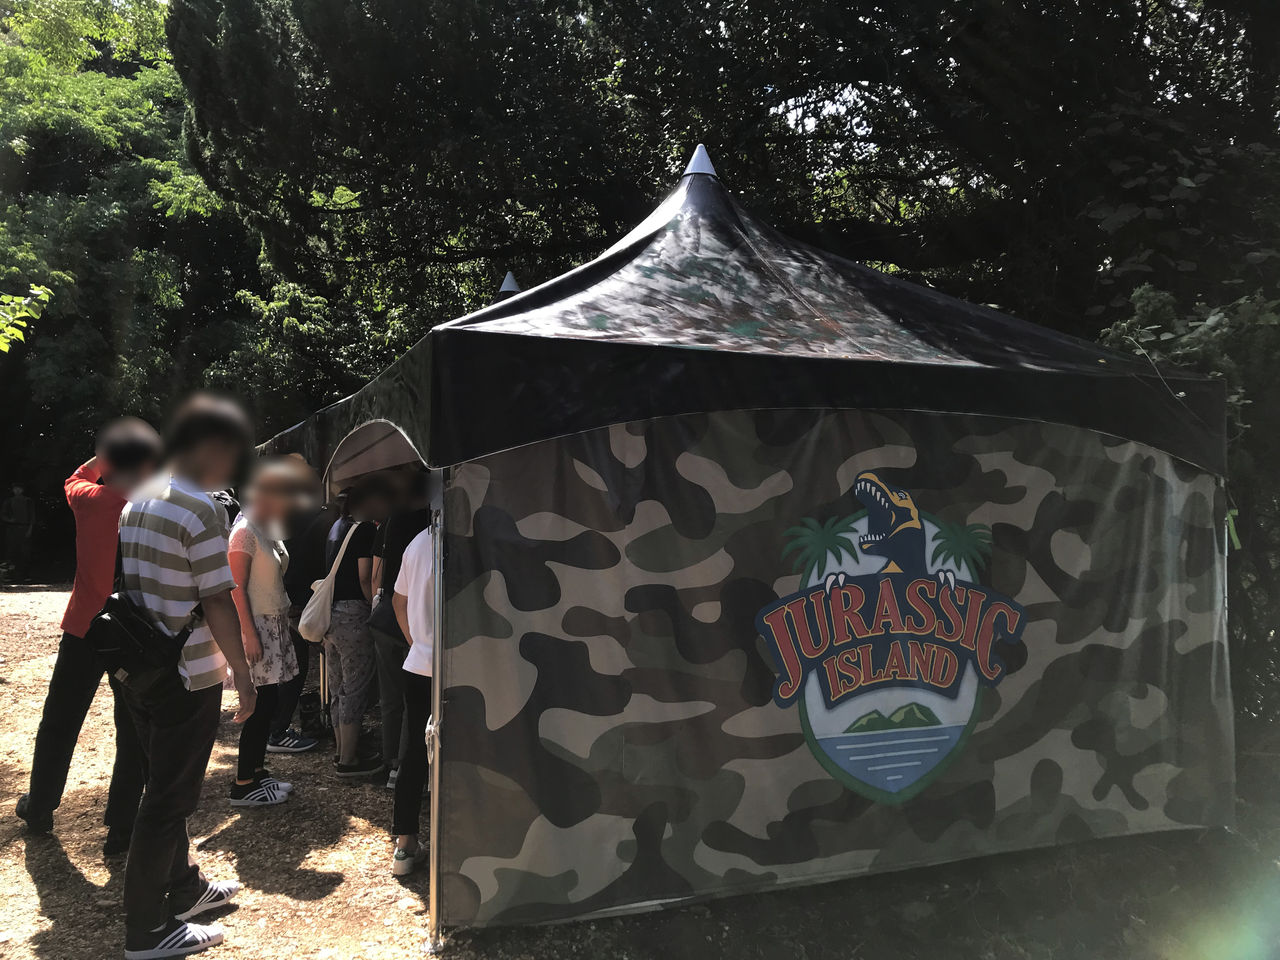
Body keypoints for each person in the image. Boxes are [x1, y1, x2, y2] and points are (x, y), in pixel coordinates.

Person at [118, 393, 257, 960]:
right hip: (186, 674)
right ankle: (146, 930)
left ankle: (185, 886)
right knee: (168, 801)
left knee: (161, 784)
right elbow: (217, 599)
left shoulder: (138, 497)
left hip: (140, 668)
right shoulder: (201, 510)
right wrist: (243, 673)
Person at [15, 419, 161, 855]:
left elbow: (76, 477)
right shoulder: (156, 508)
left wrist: (106, 456)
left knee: (60, 719)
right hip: (132, 633)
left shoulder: (90, 500)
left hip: (84, 626)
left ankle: (40, 807)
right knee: (130, 729)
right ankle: (121, 828)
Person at [226, 459, 303, 806]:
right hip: (257, 625)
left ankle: (257, 773)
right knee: (260, 704)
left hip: (273, 623)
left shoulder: (265, 528)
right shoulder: (244, 531)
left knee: (269, 701)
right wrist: (249, 634)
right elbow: (235, 588)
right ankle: (243, 783)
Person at [368, 470, 433, 787]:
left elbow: (375, 575)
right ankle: (412, 770)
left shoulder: (391, 520)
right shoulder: (432, 525)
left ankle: (392, 763)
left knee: (391, 697)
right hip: (415, 619)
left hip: (386, 616)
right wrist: (415, 639)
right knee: (414, 703)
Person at [323, 479, 391, 778]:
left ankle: (341, 751)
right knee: (355, 687)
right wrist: (373, 606)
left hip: (330, 616)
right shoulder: (364, 530)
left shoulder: (336, 527)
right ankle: (349, 760)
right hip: (353, 614)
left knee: (338, 687)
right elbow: (365, 577)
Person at [268, 495, 336, 753]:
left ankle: (280, 725)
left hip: (290, 600)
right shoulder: (323, 518)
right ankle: (277, 730)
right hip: (307, 602)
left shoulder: (283, 521)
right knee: (296, 669)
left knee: (293, 667)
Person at [389, 521, 435, 876]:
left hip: (419, 665)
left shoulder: (418, 542)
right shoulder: (479, 540)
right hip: (467, 668)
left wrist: (416, 642)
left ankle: (404, 845)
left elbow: (398, 600)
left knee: (414, 754)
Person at [1, 481, 36, 580]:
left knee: (25, 552)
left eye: (19, 488)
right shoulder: (8, 501)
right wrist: (9, 520)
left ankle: (25, 575)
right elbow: (3, 515)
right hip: (12, 529)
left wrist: (30, 530)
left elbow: (32, 517)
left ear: (22, 490)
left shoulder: (28, 501)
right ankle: (10, 575)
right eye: (15, 489)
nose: (17, 491)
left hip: (24, 527)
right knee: (11, 551)